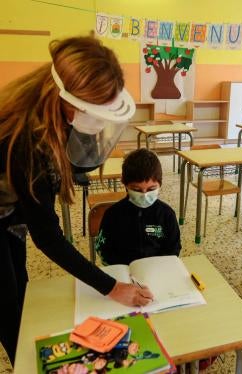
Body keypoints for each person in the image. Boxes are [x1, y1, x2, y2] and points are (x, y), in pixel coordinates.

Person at [0, 36, 153, 366]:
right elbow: (48, 236)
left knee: (21, 290)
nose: (98, 121)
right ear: (68, 99)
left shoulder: (54, 107)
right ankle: (24, 365)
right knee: (8, 305)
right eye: (93, 111)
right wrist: (111, 286)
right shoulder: (27, 138)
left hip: (8, 212)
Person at [95, 148, 181, 265]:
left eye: (151, 189)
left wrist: (159, 265)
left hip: (157, 270)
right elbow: (104, 250)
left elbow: (173, 248)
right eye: (136, 190)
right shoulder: (112, 215)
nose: (144, 195)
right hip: (123, 273)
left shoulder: (167, 214)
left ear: (160, 184)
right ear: (124, 184)